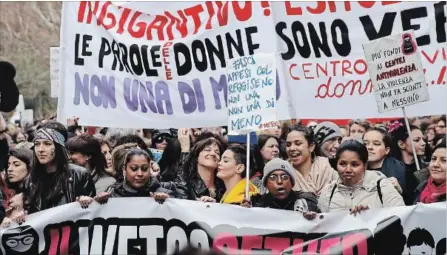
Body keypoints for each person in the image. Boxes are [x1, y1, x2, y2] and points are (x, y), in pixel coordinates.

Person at [24, 125, 96, 214]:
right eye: (37, 144)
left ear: (58, 147)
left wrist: (88, 201)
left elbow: (92, 212)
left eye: (47, 144)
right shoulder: (30, 180)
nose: (40, 149)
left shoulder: (80, 175)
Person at [318, 140, 405, 214]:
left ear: (365, 165)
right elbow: (321, 225)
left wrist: (370, 215)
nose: (348, 169)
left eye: (354, 165)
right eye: (342, 164)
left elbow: (400, 216)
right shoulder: (328, 192)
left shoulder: (383, 187)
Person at [245, 158, 319, 213]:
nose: (279, 181)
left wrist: (314, 220)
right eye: (273, 177)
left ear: (292, 183)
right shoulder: (256, 205)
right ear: (266, 184)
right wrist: (244, 213)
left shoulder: (306, 203)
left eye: (285, 177)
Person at [285, 125, 337, 196]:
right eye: (288, 145)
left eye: (298, 143)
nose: (292, 148)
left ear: (311, 147)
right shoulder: (283, 171)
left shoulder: (326, 168)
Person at [105, 148, 176, 199]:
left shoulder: (164, 194)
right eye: (134, 169)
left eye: (144, 169)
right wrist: (100, 203)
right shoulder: (112, 196)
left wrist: (167, 204)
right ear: (124, 170)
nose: (140, 173)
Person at [175, 137, 226, 201]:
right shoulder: (186, 183)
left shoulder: (223, 186)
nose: (213, 154)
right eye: (207, 150)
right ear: (196, 156)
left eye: (217, 152)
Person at [389, 120, 427, 204]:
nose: (423, 143)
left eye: (423, 139)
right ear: (401, 144)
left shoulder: (427, 168)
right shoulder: (391, 169)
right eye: (417, 140)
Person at [363, 126, 406, 194]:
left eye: (376, 144)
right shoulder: (357, 167)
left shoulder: (398, 168)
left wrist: (399, 190)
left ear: (386, 150)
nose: (369, 147)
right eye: (365, 144)